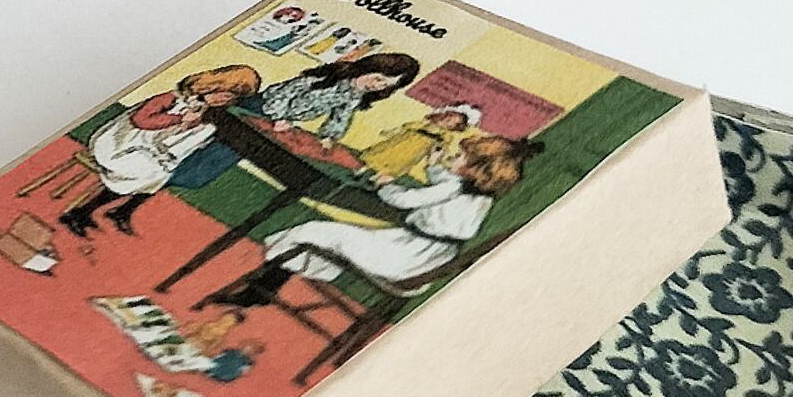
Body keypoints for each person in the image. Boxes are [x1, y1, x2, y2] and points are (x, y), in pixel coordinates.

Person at [194, 133, 543, 316]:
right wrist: (434, 165)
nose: (454, 157)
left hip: (400, 257)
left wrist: (384, 183)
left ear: (475, 168)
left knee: (312, 231)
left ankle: (258, 291)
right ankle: (261, 292)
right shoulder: (478, 195)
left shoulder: (453, 187)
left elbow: (403, 200)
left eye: (460, 156)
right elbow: (445, 184)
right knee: (333, 237)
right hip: (423, 261)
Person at [60, 66, 263, 239]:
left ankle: (86, 212)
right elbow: (140, 120)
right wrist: (178, 120)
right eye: (226, 94)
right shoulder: (175, 98)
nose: (225, 100)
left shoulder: (206, 112)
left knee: (159, 173)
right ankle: (81, 213)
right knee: (149, 172)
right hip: (120, 144)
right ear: (215, 85)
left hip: (149, 153)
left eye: (232, 98)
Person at [247, 51, 422, 148]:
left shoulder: (355, 95)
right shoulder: (335, 75)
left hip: (284, 119)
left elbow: (341, 117)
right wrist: (277, 117)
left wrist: (329, 137)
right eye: (378, 79)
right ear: (369, 68)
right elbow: (287, 90)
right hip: (264, 106)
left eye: (386, 85)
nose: (377, 86)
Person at [359, 104, 481, 182]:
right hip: (403, 141)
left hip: (415, 151)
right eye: (447, 118)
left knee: (396, 166)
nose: (446, 121)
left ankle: (377, 181)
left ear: (455, 127)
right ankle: (362, 169)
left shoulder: (445, 135)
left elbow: (441, 147)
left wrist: (439, 155)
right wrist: (392, 132)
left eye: (451, 123)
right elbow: (407, 127)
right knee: (381, 154)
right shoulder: (425, 124)